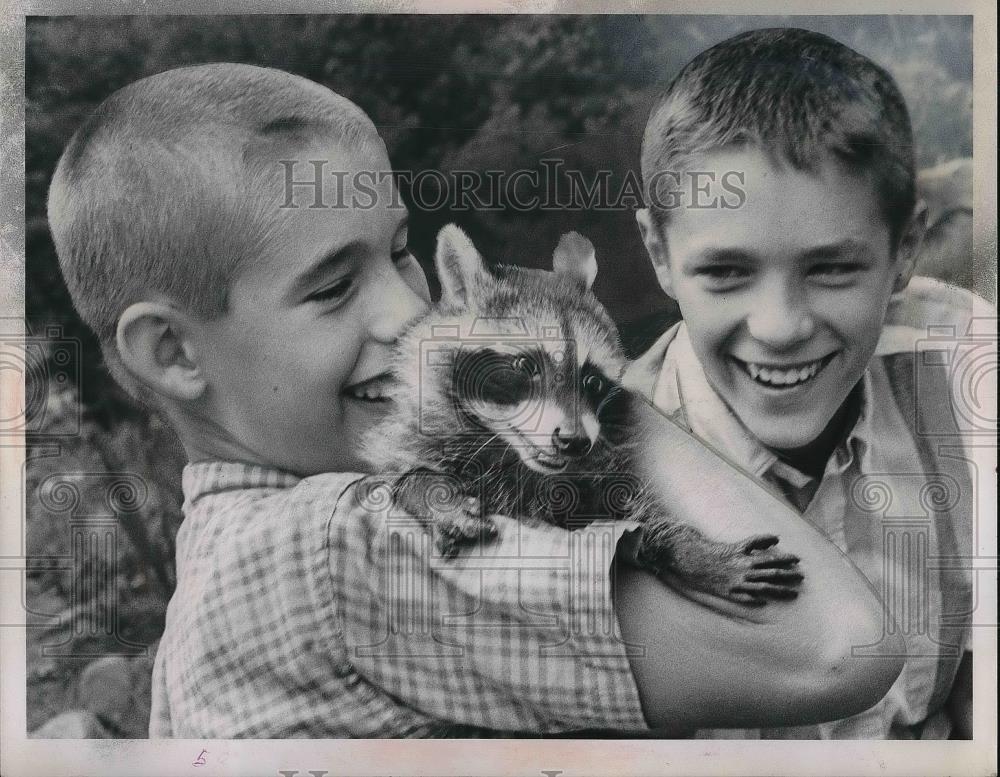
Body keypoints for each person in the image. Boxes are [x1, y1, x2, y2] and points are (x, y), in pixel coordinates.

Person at [47, 62, 901, 738]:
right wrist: (591, 378)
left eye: (402, 251)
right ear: (172, 351)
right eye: (335, 287)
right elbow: (839, 649)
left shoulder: (224, 557)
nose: (412, 310)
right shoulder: (338, 551)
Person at [630, 27, 980, 739]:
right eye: (726, 271)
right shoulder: (597, 480)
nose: (780, 325)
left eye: (831, 269)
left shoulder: (965, 391)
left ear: (904, 250)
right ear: (659, 255)